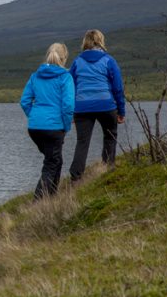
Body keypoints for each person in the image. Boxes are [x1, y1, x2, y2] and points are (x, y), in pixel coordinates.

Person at [68, 29, 125, 181]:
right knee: (110, 136)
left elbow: (69, 87)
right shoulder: (108, 60)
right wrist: (121, 110)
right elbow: (118, 87)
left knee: (82, 141)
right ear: (101, 41)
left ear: (85, 42)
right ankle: (107, 168)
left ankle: (76, 177)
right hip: (106, 105)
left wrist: (71, 111)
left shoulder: (77, 62)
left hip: (82, 107)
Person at [20, 43, 75, 199]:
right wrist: (65, 126)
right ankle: (38, 203)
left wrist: (35, 117)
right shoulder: (65, 77)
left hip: (35, 128)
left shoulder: (35, 76)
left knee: (55, 160)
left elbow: (24, 101)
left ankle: (52, 197)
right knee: (51, 163)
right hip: (54, 127)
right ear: (64, 58)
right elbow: (68, 105)